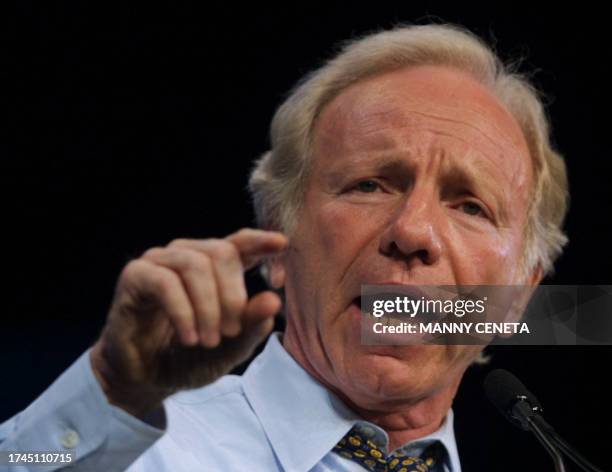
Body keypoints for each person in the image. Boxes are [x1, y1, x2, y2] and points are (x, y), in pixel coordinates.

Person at [0, 22, 569, 471]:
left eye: (469, 206)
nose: (413, 232)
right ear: (277, 245)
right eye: (370, 185)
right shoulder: (130, 448)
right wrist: (110, 393)